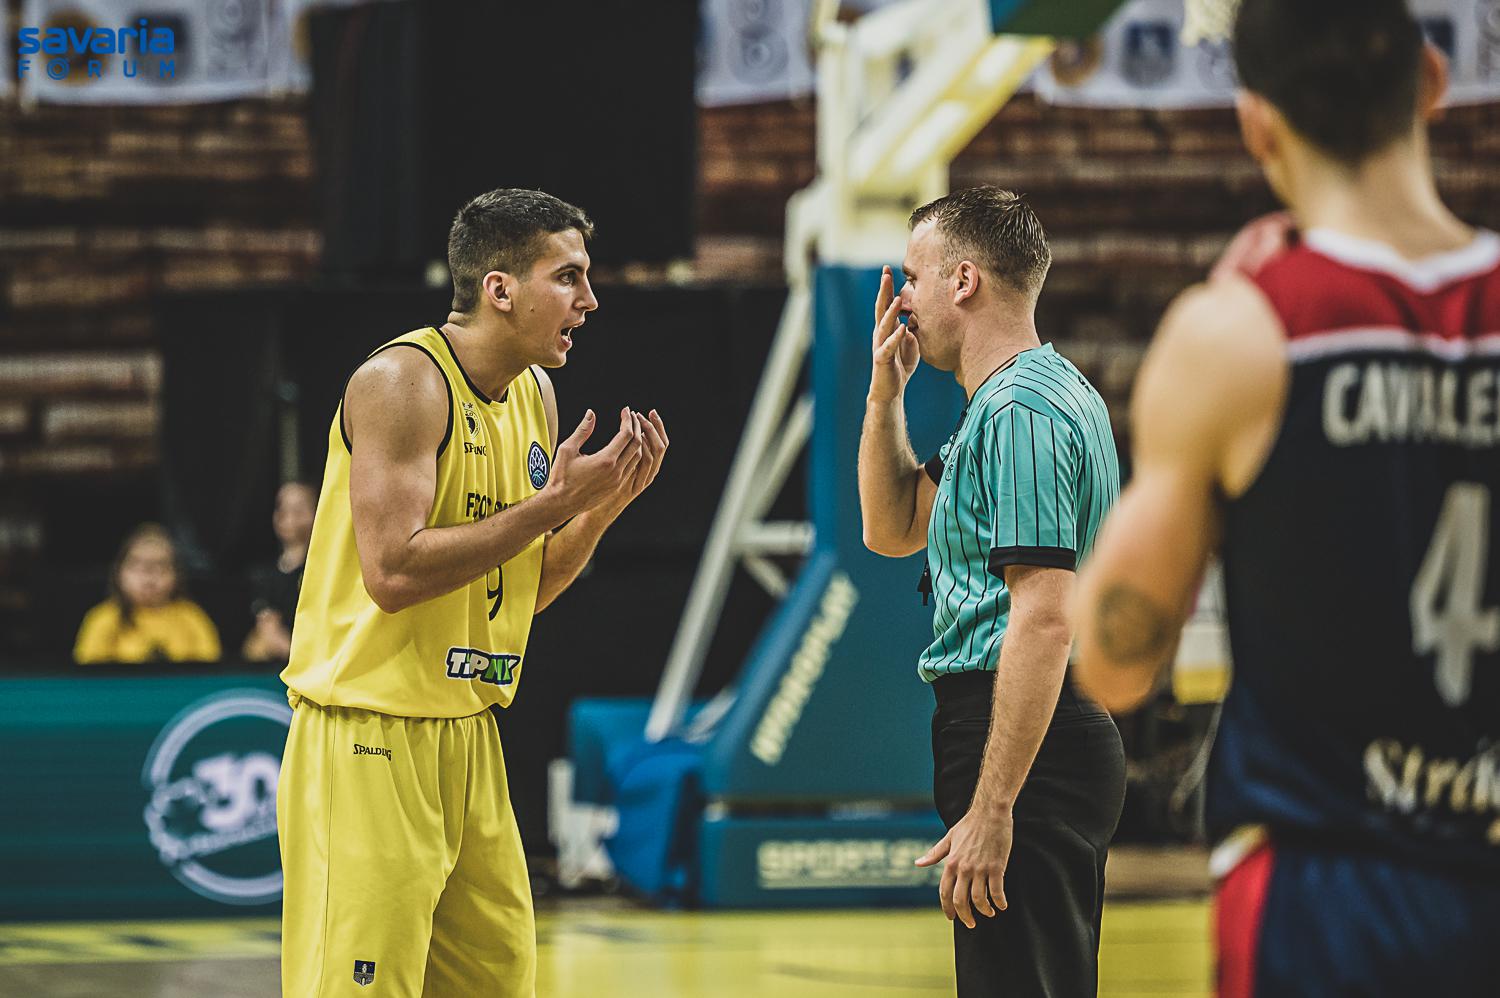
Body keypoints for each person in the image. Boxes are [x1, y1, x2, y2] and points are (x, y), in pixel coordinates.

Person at [1072, 1, 1500, 995]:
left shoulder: (1236, 335)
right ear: (1433, 81)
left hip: (1326, 888)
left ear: (1256, 121)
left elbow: (1114, 661)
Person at [277, 188, 668, 997]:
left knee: (497, 980)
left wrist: (598, 510)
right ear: (500, 289)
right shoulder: (401, 381)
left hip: (470, 734)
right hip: (369, 733)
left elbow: (521, 590)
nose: (590, 300)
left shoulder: (534, 394)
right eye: (568, 277)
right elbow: (393, 574)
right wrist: (554, 505)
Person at [857, 186, 1126, 997]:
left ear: (964, 281)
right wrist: (885, 394)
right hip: (1029, 730)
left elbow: (1042, 616)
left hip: (1029, 736)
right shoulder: (1013, 403)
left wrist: (996, 805)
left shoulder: (1020, 412)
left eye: (913, 276)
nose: (902, 299)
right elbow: (891, 525)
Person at [73, 523, 220, 664]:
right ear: (119, 572)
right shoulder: (103, 618)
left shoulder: (191, 617)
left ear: (176, 575)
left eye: (161, 565)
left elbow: (211, 669)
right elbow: (87, 672)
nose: (149, 576)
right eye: (137, 565)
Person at [241, 481, 317, 663]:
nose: (289, 517)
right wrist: (302, 664)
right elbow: (270, 632)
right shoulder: (263, 576)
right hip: (288, 666)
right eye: (282, 509)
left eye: (298, 510)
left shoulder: (322, 571)